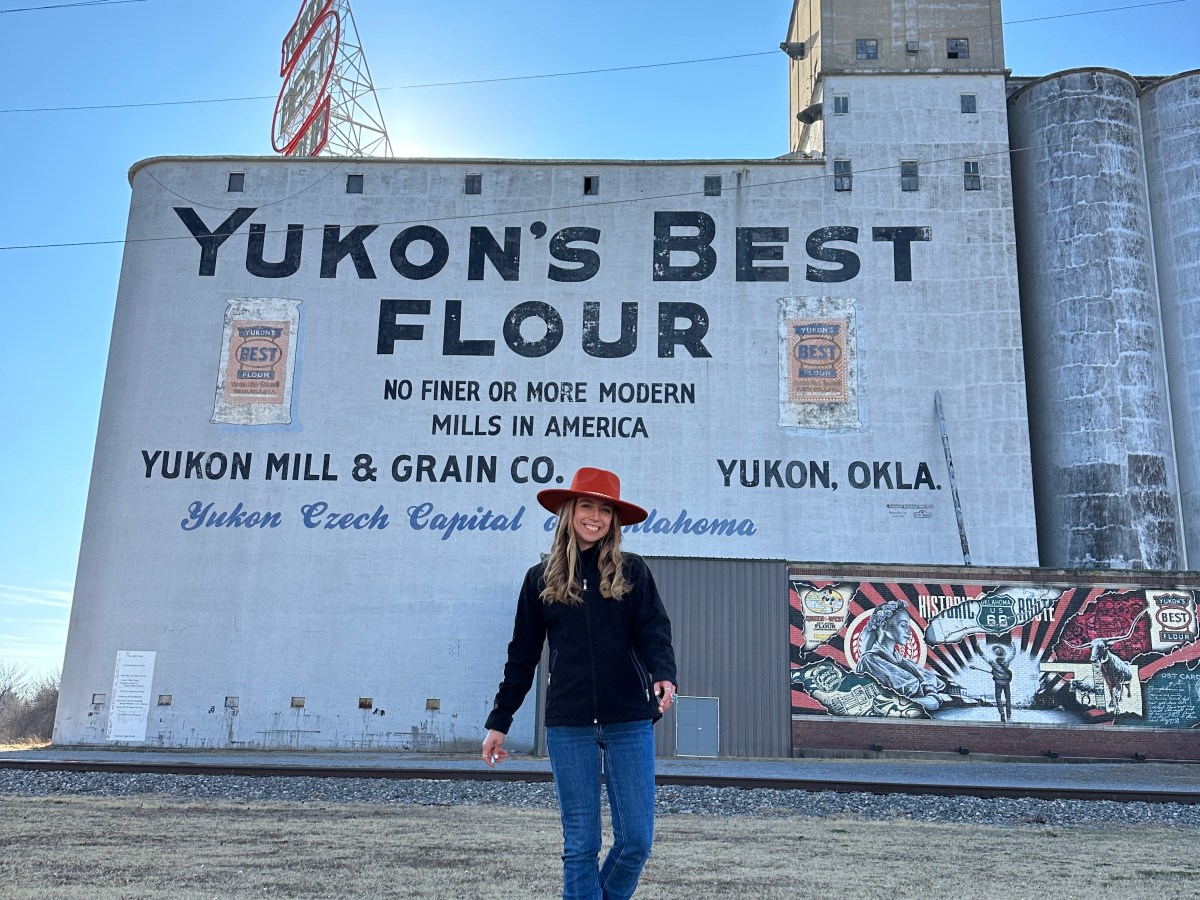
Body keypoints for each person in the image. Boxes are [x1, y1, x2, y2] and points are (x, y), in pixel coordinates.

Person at [482, 466, 677, 900]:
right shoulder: (540, 580)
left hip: (628, 719)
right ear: (569, 511)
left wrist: (664, 673)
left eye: (604, 509)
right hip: (570, 725)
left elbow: (653, 632)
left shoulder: (632, 571)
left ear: (614, 520)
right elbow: (523, 655)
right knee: (581, 846)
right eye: (586, 506)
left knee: (636, 844)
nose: (595, 516)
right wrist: (500, 721)